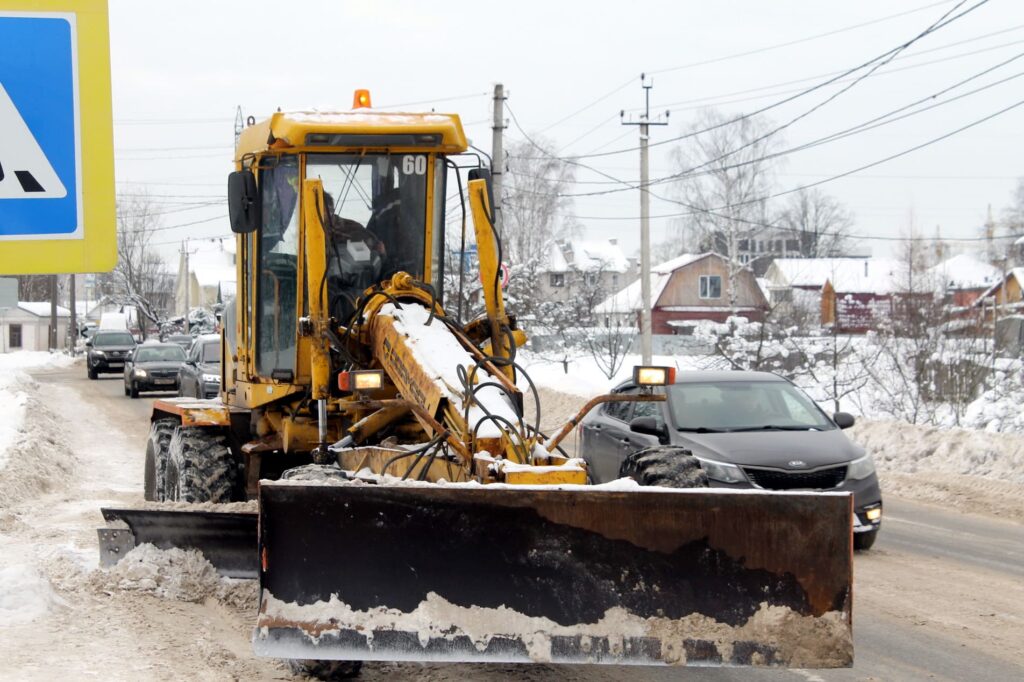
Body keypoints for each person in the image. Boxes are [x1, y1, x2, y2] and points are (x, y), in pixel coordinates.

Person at [322, 192, 385, 323]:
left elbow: (379, 249)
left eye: (326, 208)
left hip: (352, 294)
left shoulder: (352, 229)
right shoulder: (303, 232)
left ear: (331, 209)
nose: (324, 213)